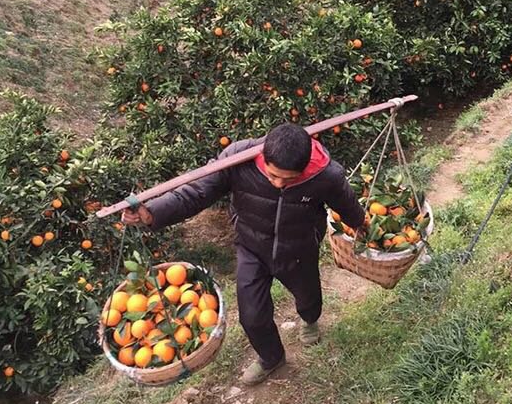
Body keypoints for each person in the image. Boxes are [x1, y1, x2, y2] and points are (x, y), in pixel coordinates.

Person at [121, 123, 365, 385]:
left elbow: (346, 204)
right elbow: (196, 192)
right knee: (252, 316)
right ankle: (271, 358)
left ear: (304, 167)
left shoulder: (326, 175)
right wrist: (152, 213)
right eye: (273, 176)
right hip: (251, 245)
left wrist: (362, 224)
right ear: (263, 158)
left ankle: (310, 320)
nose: (279, 183)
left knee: (308, 297)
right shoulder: (239, 159)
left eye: (288, 179)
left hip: (299, 247)